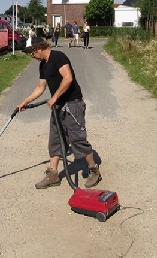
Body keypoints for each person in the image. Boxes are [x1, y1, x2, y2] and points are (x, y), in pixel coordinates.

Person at [19, 37, 102, 189]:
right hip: (58, 107)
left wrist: (55, 97)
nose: (31, 56)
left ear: (39, 48)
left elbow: (68, 78)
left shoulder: (58, 56)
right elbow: (40, 87)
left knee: (77, 139)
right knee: (55, 140)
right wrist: (25, 101)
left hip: (73, 104)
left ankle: (93, 170)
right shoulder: (43, 65)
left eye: (31, 52)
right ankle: (53, 175)